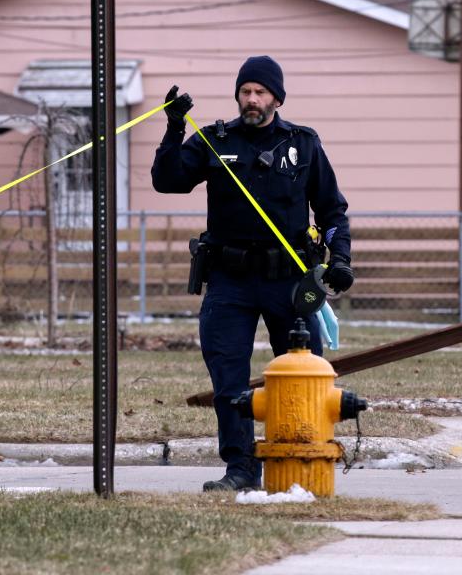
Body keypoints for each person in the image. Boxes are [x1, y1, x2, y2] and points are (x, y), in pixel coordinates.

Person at [151, 55, 354, 492]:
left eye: (261, 92)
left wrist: (339, 260)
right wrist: (174, 128)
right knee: (228, 377)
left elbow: (333, 208)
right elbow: (167, 181)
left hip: (290, 282)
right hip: (231, 281)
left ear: (277, 98)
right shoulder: (214, 140)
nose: (252, 99)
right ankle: (241, 468)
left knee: (304, 375)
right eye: (245, 91)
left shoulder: (303, 145)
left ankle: (302, 460)